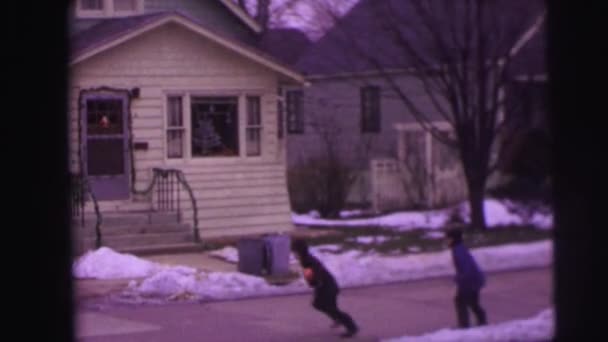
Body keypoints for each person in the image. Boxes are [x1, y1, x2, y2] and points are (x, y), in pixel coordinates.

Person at [291, 239, 359, 338]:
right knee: (320, 305)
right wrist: (314, 282)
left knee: (327, 307)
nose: (294, 254)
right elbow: (312, 274)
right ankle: (338, 319)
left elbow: (315, 272)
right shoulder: (306, 258)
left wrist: (316, 282)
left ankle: (352, 327)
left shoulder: (307, 260)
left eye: (294, 251)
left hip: (327, 286)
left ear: (298, 251)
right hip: (326, 285)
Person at [446, 228, 488, 328]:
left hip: (470, 280)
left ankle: (464, 325)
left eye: (448, 238)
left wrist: (459, 279)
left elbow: (466, 269)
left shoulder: (458, 251)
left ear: (453, 239)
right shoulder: (460, 248)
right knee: (473, 302)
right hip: (474, 279)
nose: (446, 240)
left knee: (460, 300)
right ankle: (482, 321)